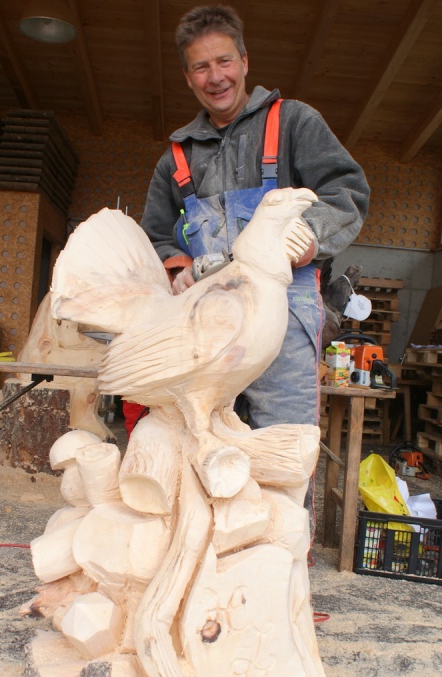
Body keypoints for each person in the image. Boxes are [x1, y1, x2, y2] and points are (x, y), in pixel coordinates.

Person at [125, 3, 369, 461]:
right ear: (188, 77)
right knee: (197, 445)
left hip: (284, 318)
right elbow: (155, 236)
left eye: (224, 61)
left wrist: (308, 233)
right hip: (204, 322)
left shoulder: (294, 123)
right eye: (201, 67)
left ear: (244, 61)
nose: (215, 77)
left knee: (284, 448)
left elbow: (348, 192)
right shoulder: (176, 158)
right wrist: (177, 268)